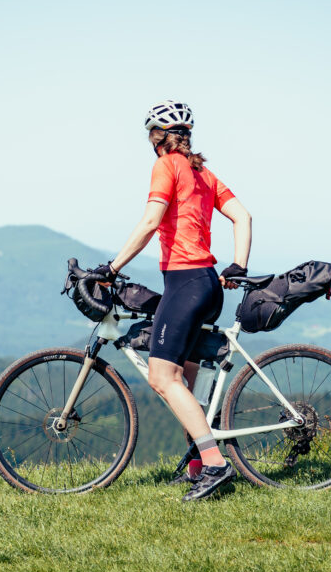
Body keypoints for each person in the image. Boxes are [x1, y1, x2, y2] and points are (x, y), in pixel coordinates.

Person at [92, 100, 252, 501]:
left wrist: (112, 267)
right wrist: (238, 265)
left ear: (159, 136)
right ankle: (199, 465)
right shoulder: (202, 171)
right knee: (185, 382)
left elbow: (150, 221)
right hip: (210, 285)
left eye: (150, 134)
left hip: (186, 285)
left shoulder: (167, 165)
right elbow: (243, 216)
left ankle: (215, 465)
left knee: (162, 378)